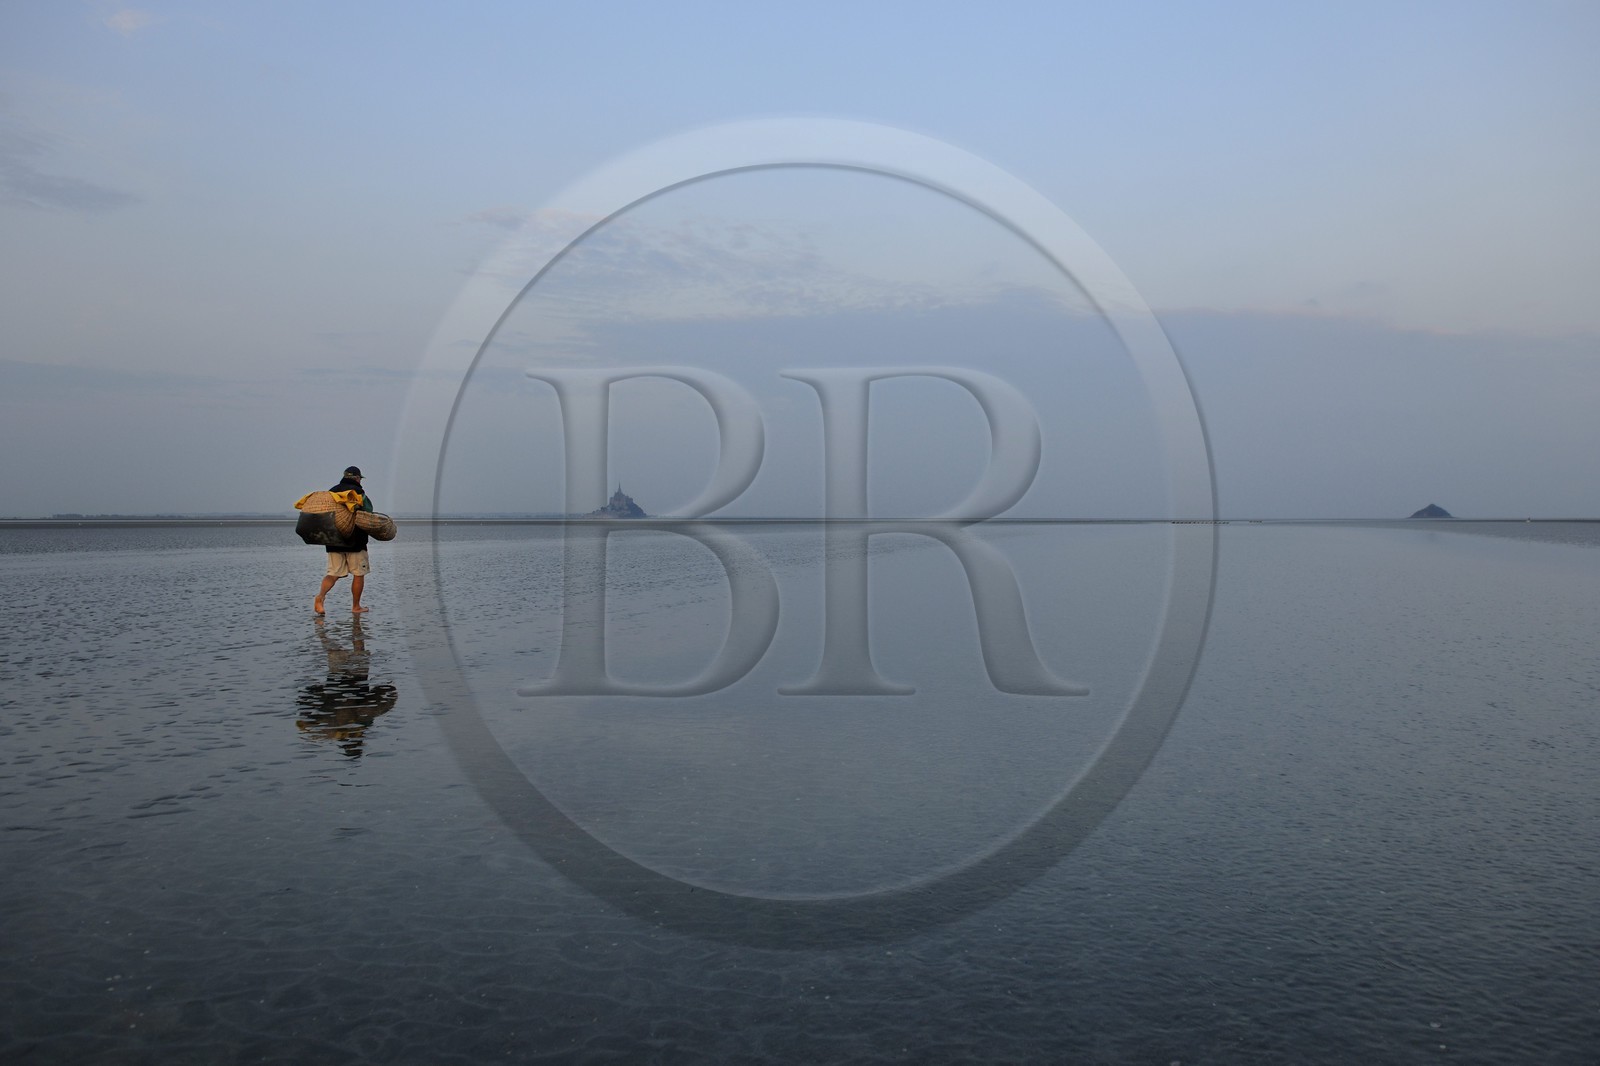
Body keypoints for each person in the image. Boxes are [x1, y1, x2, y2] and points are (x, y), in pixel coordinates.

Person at [313, 465, 375, 615]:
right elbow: (368, 511)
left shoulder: (332, 491)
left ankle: (320, 598)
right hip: (355, 540)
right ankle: (356, 606)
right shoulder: (359, 492)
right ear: (357, 478)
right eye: (360, 478)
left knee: (333, 573)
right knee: (358, 573)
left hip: (333, 539)